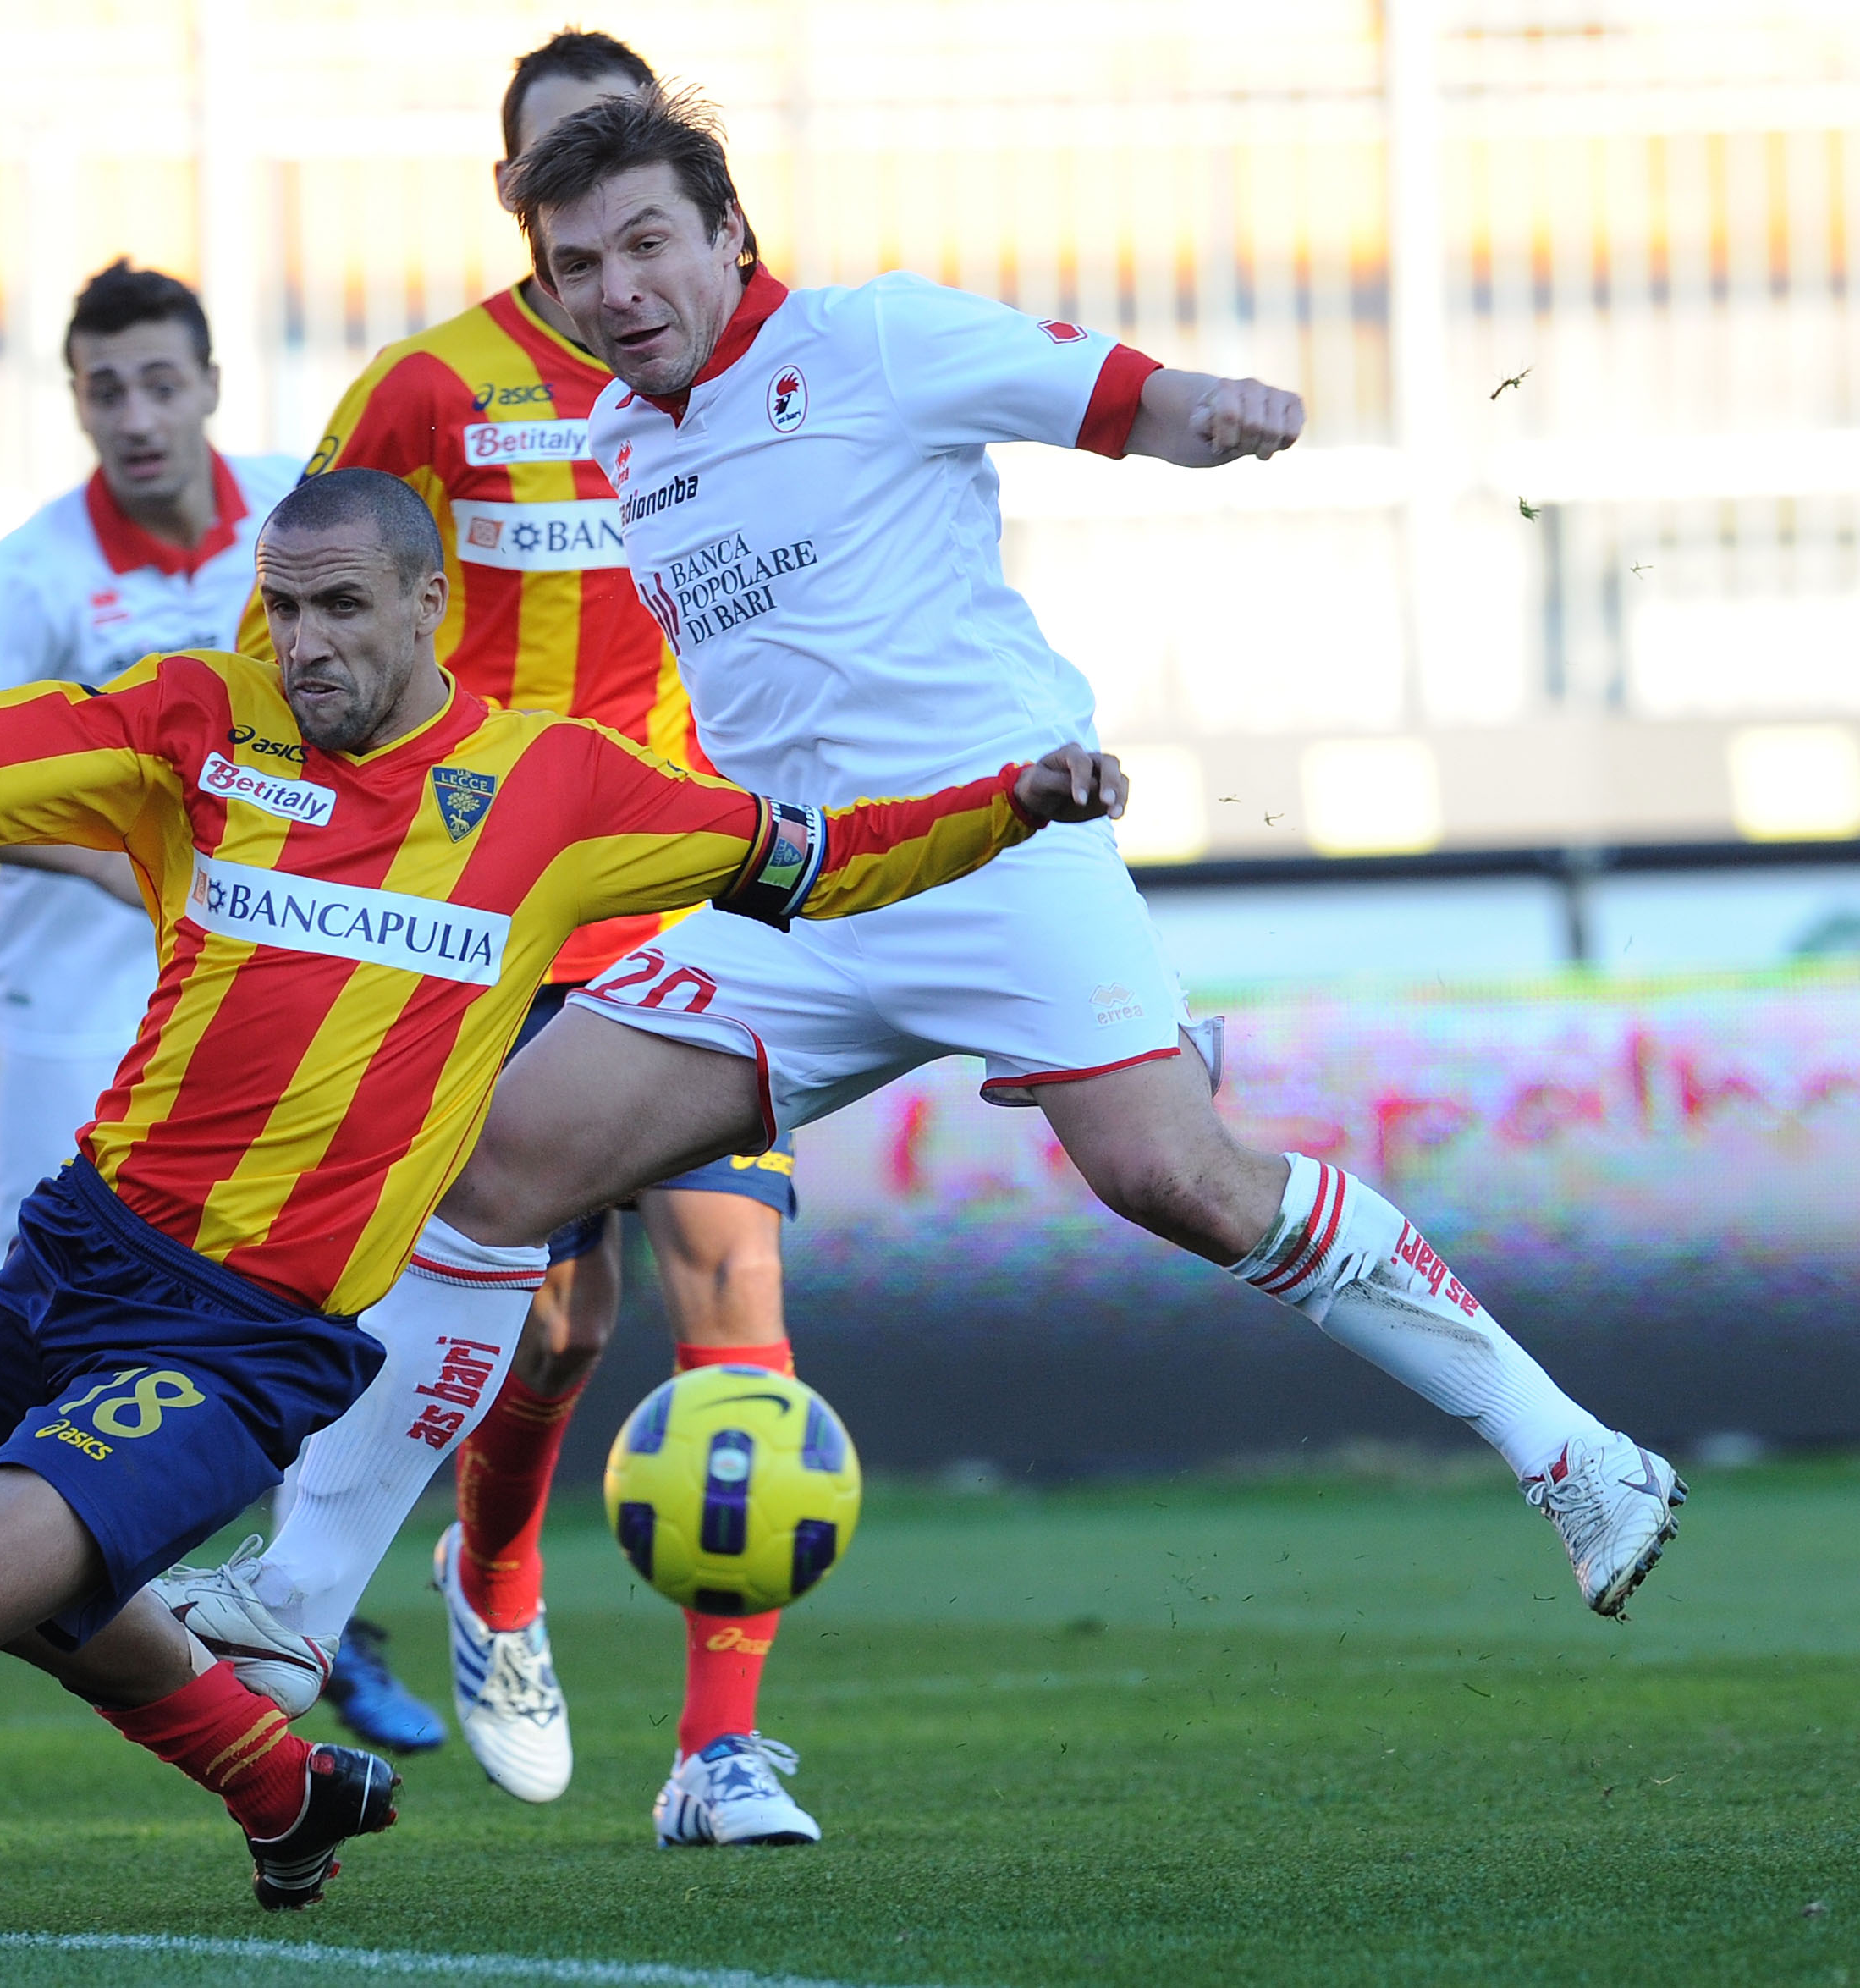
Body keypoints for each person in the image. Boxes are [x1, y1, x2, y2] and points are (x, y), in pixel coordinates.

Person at [176, 85, 1692, 1844]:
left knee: (1175, 1177)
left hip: (1003, 845)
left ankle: (1577, 1451)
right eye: (579, 263)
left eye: (651, 241)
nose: (618, 286)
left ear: (731, 235)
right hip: (805, 900)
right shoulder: (620, 435)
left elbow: (1110, 394)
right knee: (496, 1164)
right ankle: (300, 1588)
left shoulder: (874, 338)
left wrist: (1217, 411)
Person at [0, 467, 1131, 1930]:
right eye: (282, 608)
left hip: (245, 1335)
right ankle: (280, 1782)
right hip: (78, 1246)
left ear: (431, 603)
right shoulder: (203, 719)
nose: (305, 643)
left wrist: (1010, 806)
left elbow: (810, 852)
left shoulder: (553, 790)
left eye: (341, 606)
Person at [198, 27, 811, 1834]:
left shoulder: (761, 357)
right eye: (563, 192)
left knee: (734, 1282)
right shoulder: (433, 386)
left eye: (630, 193)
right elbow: (301, 605)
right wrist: (290, 821)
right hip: (492, 905)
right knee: (550, 1325)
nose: (600, 243)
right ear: (517, 201)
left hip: (689, 876)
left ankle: (720, 1747)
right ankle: (501, 1585)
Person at [0, 258, 435, 1779]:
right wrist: (151, 863)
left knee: (297, 1293)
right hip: (79, 971)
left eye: (159, 381)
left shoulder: (298, 524)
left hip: (276, 975)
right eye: (104, 388)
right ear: (77, 402)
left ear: (209, 386)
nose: (136, 414)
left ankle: (309, 1622)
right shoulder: (31, 571)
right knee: (29, 1312)